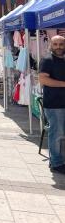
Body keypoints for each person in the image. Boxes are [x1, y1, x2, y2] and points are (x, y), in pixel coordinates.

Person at [39, 35, 65, 173]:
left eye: (61, 44)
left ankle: (58, 160)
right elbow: (43, 80)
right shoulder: (47, 60)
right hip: (54, 105)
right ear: (51, 45)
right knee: (57, 134)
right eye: (56, 44)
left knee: (61, 133)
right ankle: (56, 163)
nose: (59, 47)